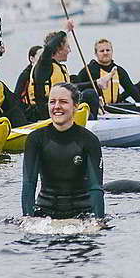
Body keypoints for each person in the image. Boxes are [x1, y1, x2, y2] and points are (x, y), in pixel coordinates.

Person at [21, 83, 104, 219]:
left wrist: (98, 220)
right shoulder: (36, 139)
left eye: (63, 102)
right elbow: (29, 184)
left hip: (81, 214)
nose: (57, 106)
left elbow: (96, 188)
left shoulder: (89, 140)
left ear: (75, 106)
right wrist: (27, 218)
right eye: (52, 102)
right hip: (45, 214)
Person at [75, 38, 140, 106]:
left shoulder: (118, 71)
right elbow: (76, 88)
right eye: (102, 51)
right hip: (98, 109)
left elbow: (132, 91)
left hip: (115, 107)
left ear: (112, 51)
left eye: (108, 50)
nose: (105, 53)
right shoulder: (88, 70)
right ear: (96, 54)